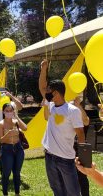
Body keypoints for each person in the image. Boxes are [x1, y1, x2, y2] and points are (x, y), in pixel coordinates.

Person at [39, 59, 85, 196]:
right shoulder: (51, 106)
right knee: (57, 191)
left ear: (57, 93)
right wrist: (43, 70)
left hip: (65, 159)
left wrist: (84, 158)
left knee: (73, 193)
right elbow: (42, 88)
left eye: (50, 91)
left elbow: (81, 134)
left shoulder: (72, 110)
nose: (47, 93)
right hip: (49, 157)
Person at [0, 103, 27, 196]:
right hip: (7, 149)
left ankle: (17, 193)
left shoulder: (16, 122)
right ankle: (5, 193)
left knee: (17, 173)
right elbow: (1, 140)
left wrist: (17, 117)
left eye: (11, 110)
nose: (9, 112)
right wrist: (8, 134)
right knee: (6, 174)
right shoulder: (0, 124)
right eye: (7, 111)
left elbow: (25, 128)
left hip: (18, 149)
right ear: (3, 111)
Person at [72, 97, 90, 196]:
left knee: (83, 177)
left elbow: (86, 121)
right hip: (70, 148)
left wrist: (78, 106)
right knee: (71, 177)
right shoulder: (68, 116)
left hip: (83, 148)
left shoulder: (82, 117)